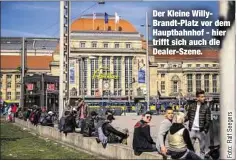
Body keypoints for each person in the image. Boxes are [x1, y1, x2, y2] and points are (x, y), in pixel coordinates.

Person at [185, 89, 211, 158]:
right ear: (197, 98)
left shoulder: (206, 107)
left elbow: (208, 120)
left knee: (202, 151)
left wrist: (204, 130)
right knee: (189, 149)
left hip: (201, 131)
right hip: (192, 130)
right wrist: (180, 120)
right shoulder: (192, 106)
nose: (204, 98)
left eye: (203, 96)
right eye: (202, 97)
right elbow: (188, 116)